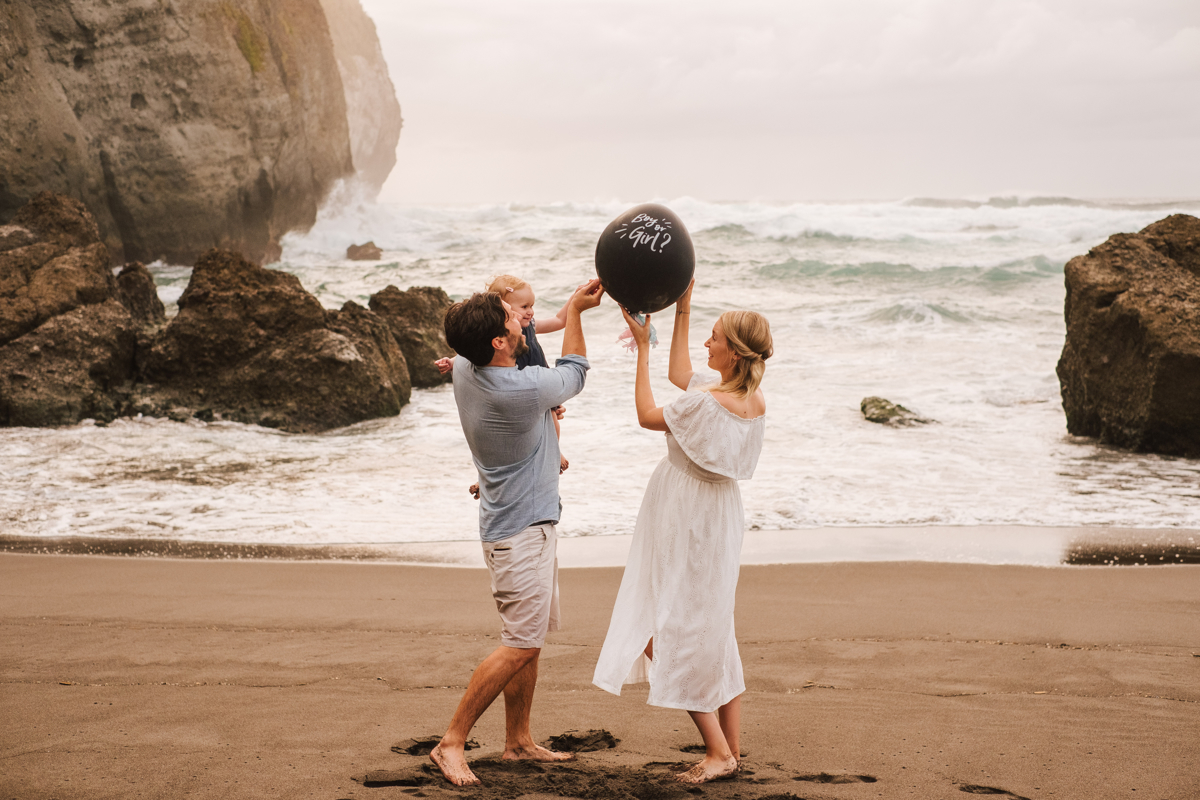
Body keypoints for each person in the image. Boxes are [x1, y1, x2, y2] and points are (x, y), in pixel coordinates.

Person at [592, 281, 773, 785]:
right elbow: (682, 375)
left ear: (733, 353)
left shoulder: (707, 404)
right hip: (719, 518)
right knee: (714, 629)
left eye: (714, 338)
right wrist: (684, 308)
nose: (707, 345)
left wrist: (641, 352)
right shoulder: (752, 400)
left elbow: (648, 414)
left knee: (662, 630)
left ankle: (716, 749)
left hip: (686, 518)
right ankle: (732, 748)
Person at [430, 277, 605, 787]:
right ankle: (452, 742)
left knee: (528, 642)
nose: (521, 320)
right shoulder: (522, 387)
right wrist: (574, 313)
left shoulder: (466, 366)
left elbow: (467, 354)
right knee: (520, 645)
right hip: (520, 531)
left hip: (523, 522)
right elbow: (574, 372)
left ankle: (519, 742)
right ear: (499, 344)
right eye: (511, 319)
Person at [436, 274, 573, 493]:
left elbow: (559, 321)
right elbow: (466, 355)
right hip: (523, 386)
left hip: (538, 381)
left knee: (552, 419)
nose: (530, 311)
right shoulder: (502, 345)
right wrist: (452, 362)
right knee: (497, 444)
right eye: (523, 307)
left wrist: (575, 302)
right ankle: (487, 479)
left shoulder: (528, 325)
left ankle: (554, 451)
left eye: (532, 305)